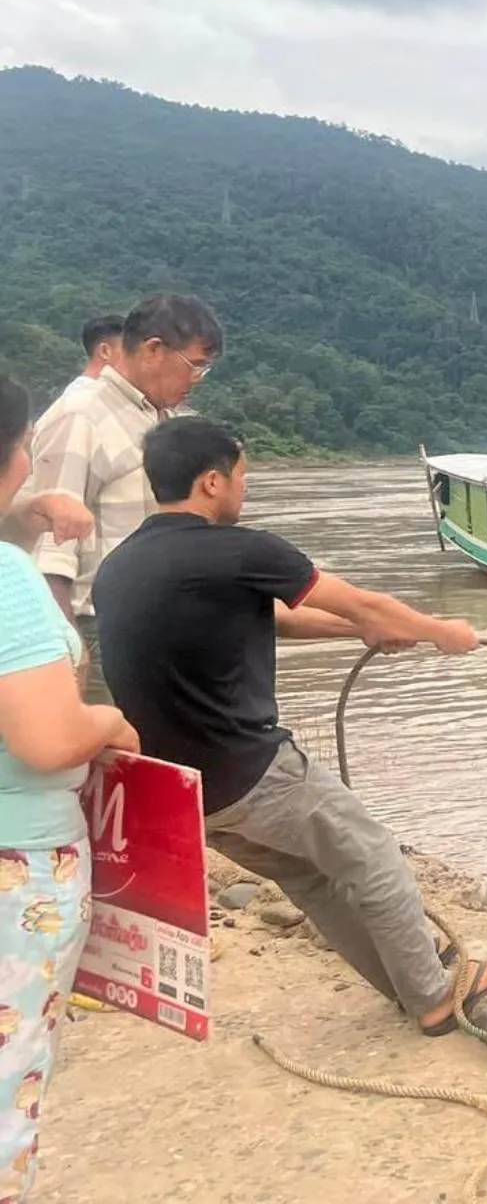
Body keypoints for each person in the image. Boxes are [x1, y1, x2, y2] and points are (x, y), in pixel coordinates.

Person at [92, 418, 487, 1036]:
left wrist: (369, 632)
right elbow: (360, 600)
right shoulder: (241, 551)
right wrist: (442, 631)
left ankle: (410, 985)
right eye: (241, 476)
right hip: (251, 772)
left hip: (187, 794)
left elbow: (276, 621)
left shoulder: (120, 566)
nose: (244, 488)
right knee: (374, 858)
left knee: (313, 880)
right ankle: (432, 997)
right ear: (212, 481)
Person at [0, 374, 142, 1196]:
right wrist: (111, 722)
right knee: (11, 1075)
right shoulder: (11, 583)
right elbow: (49, 737)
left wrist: (24, 514)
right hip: (20, 865)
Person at [29, 295, 223, 703]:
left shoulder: (161, 419)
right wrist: (71, 655)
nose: (197, 379)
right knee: (114, 759)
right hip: (102, 633)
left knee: (159, 760)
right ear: (154, 349)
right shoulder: (80, 415)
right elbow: (50, 551)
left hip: (158, 629)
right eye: (195, 365)